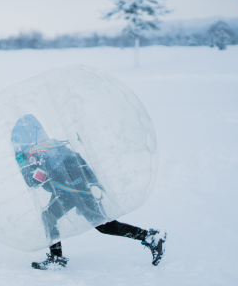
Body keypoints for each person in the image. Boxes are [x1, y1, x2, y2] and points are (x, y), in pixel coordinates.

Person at [11, 114, 166, 270]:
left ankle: (56, 258)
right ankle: (150, 237)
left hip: (69, 192)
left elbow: (36, 181)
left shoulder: (36, 154)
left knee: (60, 219)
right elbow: (78, 160)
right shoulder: (53, 144)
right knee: (102, 225)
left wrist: (24, 166)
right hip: (78, 188)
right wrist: (93, 184)